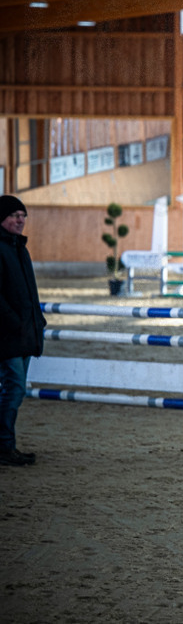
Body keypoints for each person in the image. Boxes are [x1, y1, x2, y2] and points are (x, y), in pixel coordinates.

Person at [0, 195, 45, 466]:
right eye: (15, 215)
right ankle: (5, 446)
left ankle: (7, 444)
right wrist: (14, 321)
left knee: (15, 389)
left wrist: (36, 321)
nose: (20, 220)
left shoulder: (20, 248)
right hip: (7, 334)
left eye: (23, 215)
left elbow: (29, 292)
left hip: (24, 331)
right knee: (14, 388)